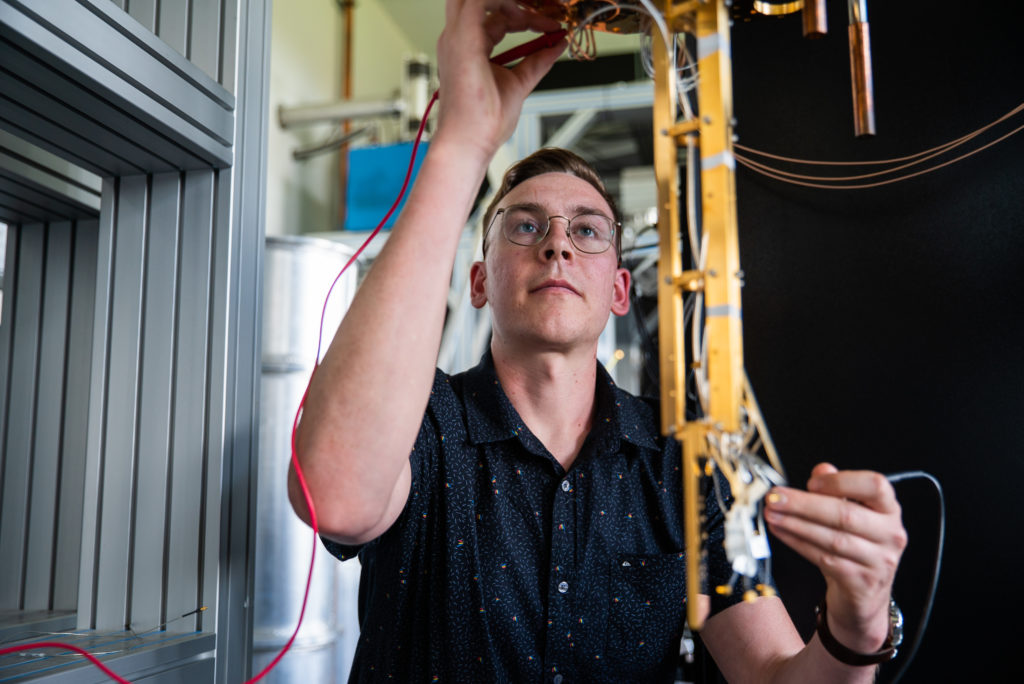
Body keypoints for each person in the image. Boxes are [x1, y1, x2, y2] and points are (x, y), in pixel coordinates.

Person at [289, 1, 908, 681]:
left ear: (618, 289)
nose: (557, 242)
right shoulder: (425, 426)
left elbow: (775, 675)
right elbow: (337, 497)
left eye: (586, 231)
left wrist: (858, 625)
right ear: (478, 282)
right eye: (524, 226)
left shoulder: (683, 465)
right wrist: (464, 141)